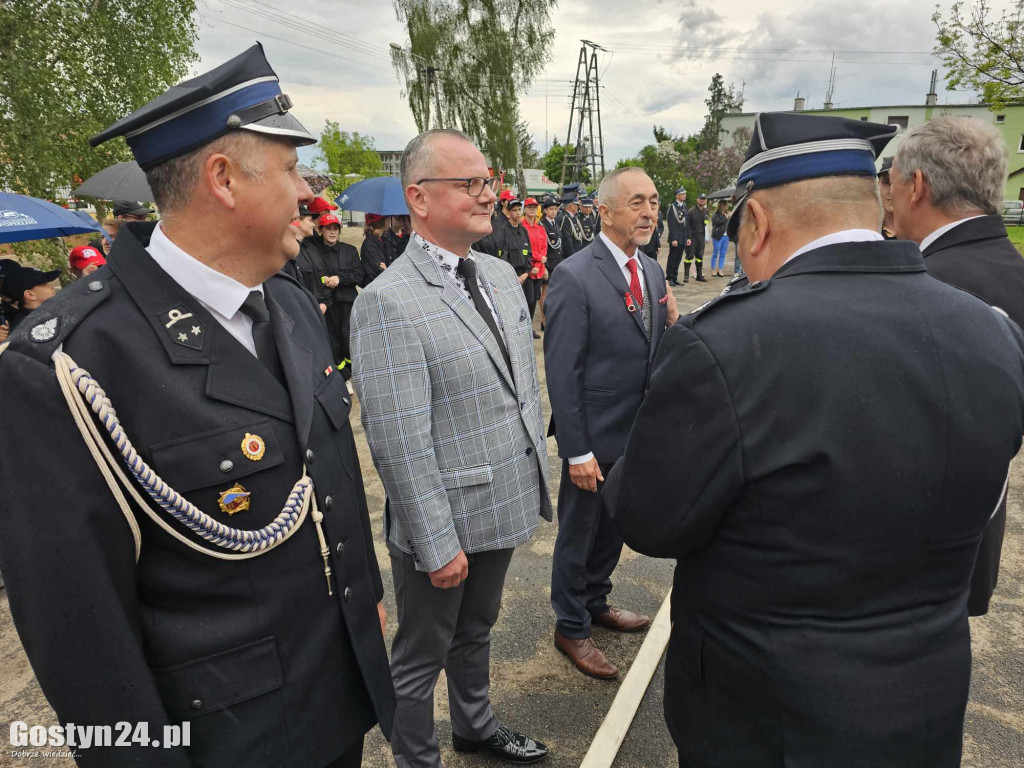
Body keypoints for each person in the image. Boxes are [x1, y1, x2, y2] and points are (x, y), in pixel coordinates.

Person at [0, 44, 395, 768]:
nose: (309, 191)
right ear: (222, 179)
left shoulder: (287, 304)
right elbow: (81, 641)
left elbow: (328, 482)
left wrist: (363, 603)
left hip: (336, 692)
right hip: (228, 741)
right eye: (287, 168)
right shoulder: (67, 362)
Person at [603, 111, 1024, 768]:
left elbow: (649, 521)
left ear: (759, 223)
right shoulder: (993, 333)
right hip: (924, 709)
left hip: (764, 723)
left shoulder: (727, 346)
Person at [351, 128, 551, 768]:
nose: (488, 194)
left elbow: (516, 386)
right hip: (444, 521)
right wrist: (436, 541)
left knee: (478, 631)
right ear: (419, 198)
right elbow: (397, 438)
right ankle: (417, 759)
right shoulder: (388, 302)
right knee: (419, 655)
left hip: (499, 501)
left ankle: (474, 726)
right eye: (469, 184)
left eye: (487, 181)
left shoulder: (494, 271)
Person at [544, 166, 678, 680]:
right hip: (592, 435)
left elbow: (656, 348)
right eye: (636, 202)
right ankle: (571, 625)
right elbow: (563, 371)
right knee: (579, 532)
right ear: (605, 210)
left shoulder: (652, 270)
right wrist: (576, 450)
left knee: (614, 527)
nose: (648, 212)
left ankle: (596, 601)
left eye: (654, 201)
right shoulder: (575, 274)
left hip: (634, 431)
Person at [889, 114, 1024, 617]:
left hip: (900, 553)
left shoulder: (919, 282)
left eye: (894, 182)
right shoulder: (1015, 272)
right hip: (974, 533)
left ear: (917, 186)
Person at [298, 212, 367, 379]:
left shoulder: (349, 250)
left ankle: (354, 372)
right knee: (333, 342)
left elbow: (359, 275)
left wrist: (340, 279)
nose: (332, 232)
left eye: (335, 228)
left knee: (349, 339)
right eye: (328, 228)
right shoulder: (314, 252)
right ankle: (343, 376)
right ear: (320, 230)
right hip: (329, 306)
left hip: (348, 304)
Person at [0, 265, 61, 330]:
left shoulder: (47, 311)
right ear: (30, 294)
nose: (52, 286)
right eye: (44, 284)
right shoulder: (26, 328)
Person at [522, 197, 548, 337]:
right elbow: (525, 249)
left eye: (534, 207)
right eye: (529, 207)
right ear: (524, 209)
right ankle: (524, 328)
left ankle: (529, 329)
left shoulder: (540, 228)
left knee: (533, 303)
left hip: (539, 270)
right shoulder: (521, 227)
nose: (532, 209)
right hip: (527, 269)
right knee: (528, 300)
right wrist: (536, 260)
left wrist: (539, 264)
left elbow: (544, 247)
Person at [538, 194, 563, 331]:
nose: (554, 211)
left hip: (557, 263)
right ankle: (544, 320)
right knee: (545, 293)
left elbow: (560, 246)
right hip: (547, 264)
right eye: (551, 209)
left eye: (556, 209)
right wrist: (544, 266)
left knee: (555, 293)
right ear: (545, 210)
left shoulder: (555, 224)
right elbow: (543, 247)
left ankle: (553, 317)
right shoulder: (542, 225)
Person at [664, 187, 689, 285]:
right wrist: (674, 238)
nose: (684, 195)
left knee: (678, 258)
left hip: (683, 237)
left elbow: (686, 224)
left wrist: (688, 237)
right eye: (682, 194)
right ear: (677, 195)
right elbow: (672, 224)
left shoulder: (684, 207)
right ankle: (669, 277)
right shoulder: (673, 207)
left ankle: (675, 277)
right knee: (672, 258)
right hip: (676, 238)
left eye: (685, 194)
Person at [684, 192, 709, 282]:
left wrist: (706, 237)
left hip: (701, 237)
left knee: (699, 257)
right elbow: (686, 226)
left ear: (705, 200)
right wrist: (688, 238)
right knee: (689, 257)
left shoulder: (706, 211)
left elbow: (706, 225)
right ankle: (686, 276)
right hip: (692, 237)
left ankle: (699, 275)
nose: (702, 201)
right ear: (697, 200)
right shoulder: (691, 211)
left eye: (704, 199)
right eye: (701, 199)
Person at [360, 213, 390, 283]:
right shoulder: (370, 244)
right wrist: (388, 270)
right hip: (375, 286)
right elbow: (378, 269)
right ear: (383, 221)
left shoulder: (384, 239)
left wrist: (388, 268)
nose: (389, 221)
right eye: (388, 218)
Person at [559, 191, 585, 259]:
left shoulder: (572, 217)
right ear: (571, 206)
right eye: (576, 205)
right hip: (570, 256)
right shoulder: (565, 218)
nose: (578, 207)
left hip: (576, 253)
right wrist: (573, 257)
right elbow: (567, 241)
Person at [877, 156, 897, 239]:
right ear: (878, 185)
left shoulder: (923, 231)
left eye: (897, 183)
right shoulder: (870, 232)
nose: (891, 191)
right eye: (886, 182)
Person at [710, 200, 729, 277]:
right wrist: (726, 218)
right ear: (722, 206)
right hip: (718, 236)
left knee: (723, 254)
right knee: (715, 253)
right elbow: (716, 223)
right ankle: (713, 269)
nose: (727, 207)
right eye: (726, 205)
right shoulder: (715, 214)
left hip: (726, 236)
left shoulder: (726, 214)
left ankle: (720, 269)